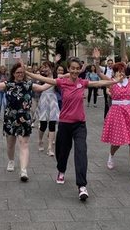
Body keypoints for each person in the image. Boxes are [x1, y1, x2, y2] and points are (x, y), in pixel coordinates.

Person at [26, 56, 118, 201]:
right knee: (62, 152)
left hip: (80, 125)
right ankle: (61, 170)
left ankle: (82, 186)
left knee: (81, 152)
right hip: (64, 123)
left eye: (77, 68)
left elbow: (99, 82)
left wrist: (115, 82)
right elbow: (46, 80)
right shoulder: (62, 82)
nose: (75, 71)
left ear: (80, 69)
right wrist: (28, 73)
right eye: (72, 68)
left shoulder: (83, 82)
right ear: (68, 69)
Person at [0, 61, 52, 182]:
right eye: (17, 72)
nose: (20, 74)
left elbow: (42, 87)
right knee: (11, 144)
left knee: (24, 143)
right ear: (13, 74)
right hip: (10, 117)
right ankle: (11, 160)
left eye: (22, 72)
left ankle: (23, 170)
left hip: (24, 117)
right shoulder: (8, 84)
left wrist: (54, 78)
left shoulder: (29, 84)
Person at [36, 61, 59, 156]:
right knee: (43, 125)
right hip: (44, 100)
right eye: (43, 67)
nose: (45, 69)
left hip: (53, 100)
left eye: (47, 67)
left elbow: (65, 75)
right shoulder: (42, 78)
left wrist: (55, 62)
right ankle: (40, 140)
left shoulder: (56, 77)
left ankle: (50, 148)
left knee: (52, 124)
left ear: (51, 68)